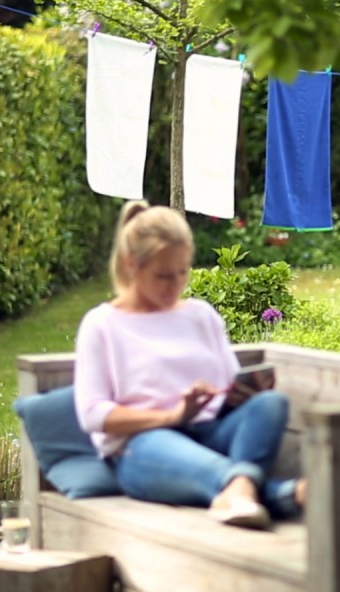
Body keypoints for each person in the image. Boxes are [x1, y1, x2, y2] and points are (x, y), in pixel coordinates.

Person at [73, 200, 304, 529]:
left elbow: (228, 381)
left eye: (183, 272)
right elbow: (93, 414)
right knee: (162, 444)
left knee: (271, 404)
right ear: (130, 265)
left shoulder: (201, 315)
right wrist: (173, 415)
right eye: (163, 276)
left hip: (213, 432)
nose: (176, 285)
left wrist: (239, 394)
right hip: (145, 445)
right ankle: (274, 492)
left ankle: (240, 493)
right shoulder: (102, 325)